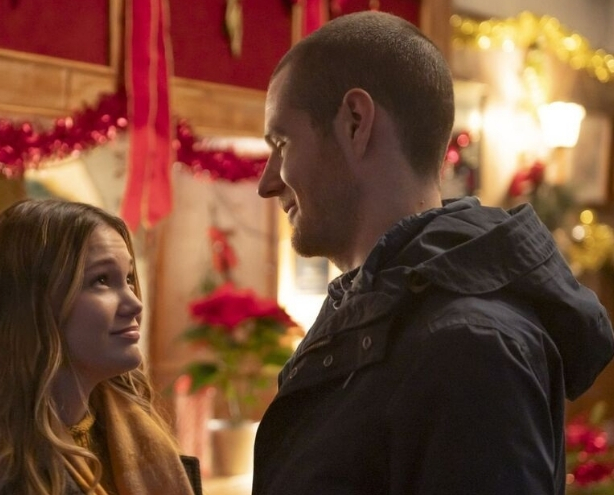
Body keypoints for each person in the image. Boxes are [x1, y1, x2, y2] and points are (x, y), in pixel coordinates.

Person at [254, 10, 614, 495]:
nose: (267, 181)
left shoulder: (471, 349)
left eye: (282, 143)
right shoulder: (387, 314)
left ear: (355, 122)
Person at [0, 199, 200, 495]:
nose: (134, 304)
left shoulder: (139, 437)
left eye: (128, 278)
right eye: (101, 280)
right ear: (30, 307)